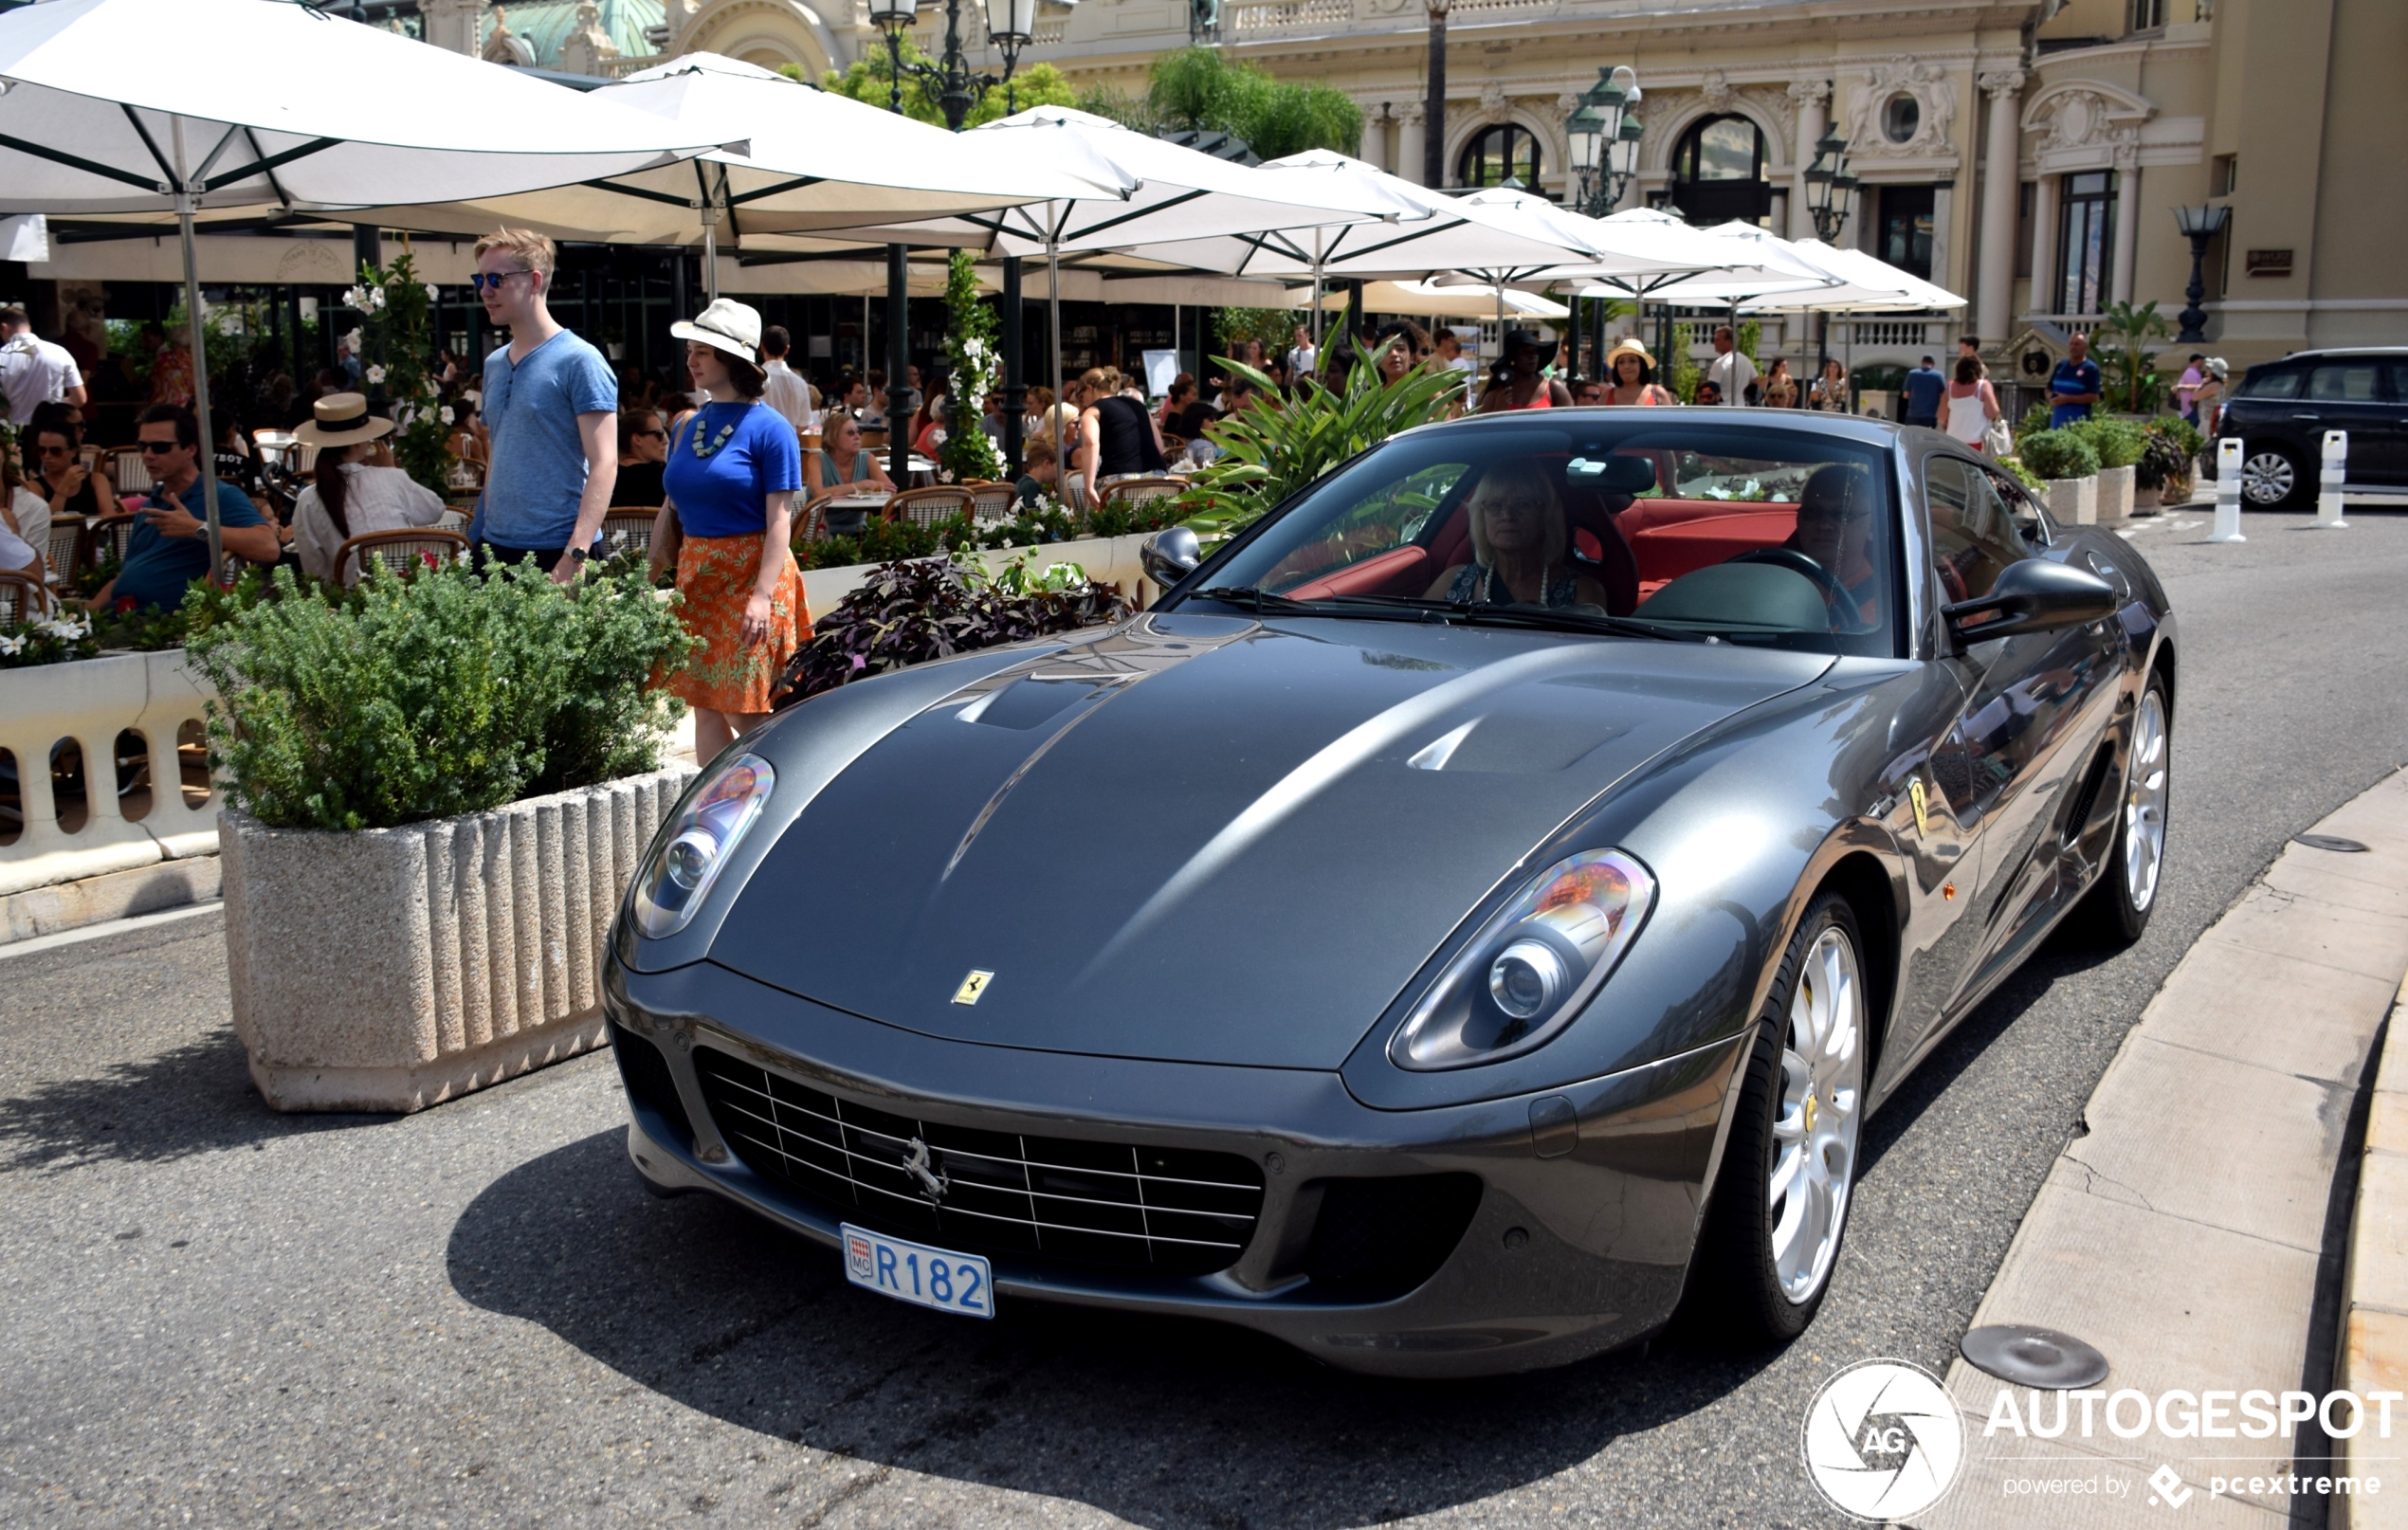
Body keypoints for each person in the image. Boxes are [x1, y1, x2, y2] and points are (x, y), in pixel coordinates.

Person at [656, 300, 809, 761]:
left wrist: (762, 595)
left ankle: (780, 802)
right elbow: (672, 506)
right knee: (704, 703)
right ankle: (716, 810)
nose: (691, 361)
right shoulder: (688, 425)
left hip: (752, 576)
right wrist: (649, 574)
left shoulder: (773, 430)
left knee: (747, 710)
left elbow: (780, 520)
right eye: (691, 350)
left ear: (732, 359)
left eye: (703, 351)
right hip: (698, 575)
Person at [466, 228, 618, 580]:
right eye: (480, 278)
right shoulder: (494, 364)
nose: (484, 290)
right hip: (495, 547)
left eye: (495, 278)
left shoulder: (580, 360)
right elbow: (497, 455)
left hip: (560, 550)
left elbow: (605, 463)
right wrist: (479, 536)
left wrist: (575, 555)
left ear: (534, 281)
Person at [86, 404, 277, 612]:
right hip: (123, 617)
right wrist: (83, 616)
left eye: (160, 447)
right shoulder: (150, 506)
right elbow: (126, 575)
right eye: (142, 446)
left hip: (166, 627)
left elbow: (269, 547)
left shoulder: (217, 496)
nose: (148, 455)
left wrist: (198, 529)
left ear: (191, 449)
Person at [287, 393, 445, 587]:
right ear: (357, 441)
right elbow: (435, 509)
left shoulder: (308, 500)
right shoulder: (391, 478)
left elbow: (316, 572)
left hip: (351, 606)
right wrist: (390, 470)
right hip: (407, 594)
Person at [1423, 459, 1607, 609]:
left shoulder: (1583, 593)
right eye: (1495, 505)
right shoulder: (1453, 580)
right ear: (1482, 517)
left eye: (1522, 504)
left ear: (1545, 516)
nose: (1507, 516)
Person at [1785, 464, 1880, 629]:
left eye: (1843, 514)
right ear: (1799, 521)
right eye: (1813, 512)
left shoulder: (1889, 607)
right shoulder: (1770, 586)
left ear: (1872, 527)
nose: (1825, 524)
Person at [1075, 366, 1169, 507]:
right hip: (1159, 481)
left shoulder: (1093, 410)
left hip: (1119, 484)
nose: (1082, 403)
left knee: (1092, 525)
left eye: (1081, 397)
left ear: (1089, 388)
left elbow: (1090, 444)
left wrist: (1089, 487)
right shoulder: (1138, 406)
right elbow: (1160, 448)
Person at [804, 412, 894, 537]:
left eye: (858, 431)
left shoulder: (867, 459)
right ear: (832, 439)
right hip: (821, 531)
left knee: (885, 532)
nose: (857, 436)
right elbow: (819, 494)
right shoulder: (817, 461)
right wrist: (863, 485)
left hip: (859, 530)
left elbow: (891, 491)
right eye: (850, 433)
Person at [0, 306, 88, 427]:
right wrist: (54, 406)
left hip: (14, 433)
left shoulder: (2, 356)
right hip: (52, 428)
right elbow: (79, 398)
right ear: (28, 327)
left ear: (4, 327)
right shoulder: (59, 352)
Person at [1479, 329, 1572, 412]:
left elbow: (1571, 425)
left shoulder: (1555, 390)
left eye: (1535, 351)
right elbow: (1481, 429)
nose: (1532, 356)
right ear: (1513, 357)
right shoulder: (1496, 396)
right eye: (1525, 352)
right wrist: (1498, 411)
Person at [759, 324, 816, 434]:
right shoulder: (800, 383)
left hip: (759, 444)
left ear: (762, 347)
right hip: (789, 444)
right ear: (787, 349)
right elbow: (804, 423)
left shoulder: (754, 379)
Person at [1943, 355, 2002, 450]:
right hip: (1976, 442)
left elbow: (1941, 415)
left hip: (1952, 441)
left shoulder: (1950, 387)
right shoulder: (1983, 386)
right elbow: (1993, 413)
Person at [612, 410, 669, 507]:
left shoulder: (608, 478)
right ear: (637, 439)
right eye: (659, 434)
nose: (665, 441)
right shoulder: (663, 476)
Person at [2049, 333, 2103, 428]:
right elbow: (2048, 388)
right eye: (2071, 344)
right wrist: (2051, 397)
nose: (2073, 347)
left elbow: (2094, 397)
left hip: (2078, 424)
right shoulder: (2061, 366)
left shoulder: (2090, 368)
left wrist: (2067, 399)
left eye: (2077, 344)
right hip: (2056, 423)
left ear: (2086, 347)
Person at [1600, 339, 1676, 407]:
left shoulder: (1658, 394)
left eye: (1632, 361)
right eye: (1621, 362)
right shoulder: (1606, 396)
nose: (1626, 366)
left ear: (1642, 365)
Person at [1706, 326, 1757, 410]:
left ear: (1729, 342)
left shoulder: (1720, 363)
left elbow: (1710, 390)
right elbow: (1756, 382)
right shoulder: (1746, 361)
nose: (1714, 342)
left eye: (1718, 340)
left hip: (1722, 409)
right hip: (1741, 408)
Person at [146, 324, 195, 410]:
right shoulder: (192, 360)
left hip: (167, 407)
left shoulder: (162, 359)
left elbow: (156, 386)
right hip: (189, 406)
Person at [1902, 355, 1947, 429]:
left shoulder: (1912, 374)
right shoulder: (1938, 375)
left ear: (1922, 363)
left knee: (1912, 438)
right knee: (1927, 439)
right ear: (1933, 364)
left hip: (1913, 415)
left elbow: (1905, 395)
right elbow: (1943, 396)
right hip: (1931, 416)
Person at [1014, 438, 1061, 510]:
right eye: (1056, 467)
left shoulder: (1022, 482)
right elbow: (1033, 516)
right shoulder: (1032, 486)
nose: (1057, 472)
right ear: (1046, 464)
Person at [2196, 357, 2228, 438]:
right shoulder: (2217, 385)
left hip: (2208, 421)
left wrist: (2201, 384)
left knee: (2207, 445)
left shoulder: (2214, 385)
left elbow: (2195, 396)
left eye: (2209, 368)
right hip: (2208, 420)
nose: (2206, 369)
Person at [2174, 353, 2206, 425]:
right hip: (2191, 408)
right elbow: (2196, 388)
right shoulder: (2191, 372)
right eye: (2202, 360)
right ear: (2197, 361)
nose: (2203, 363)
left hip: (2192, 408)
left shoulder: (2195, 372)